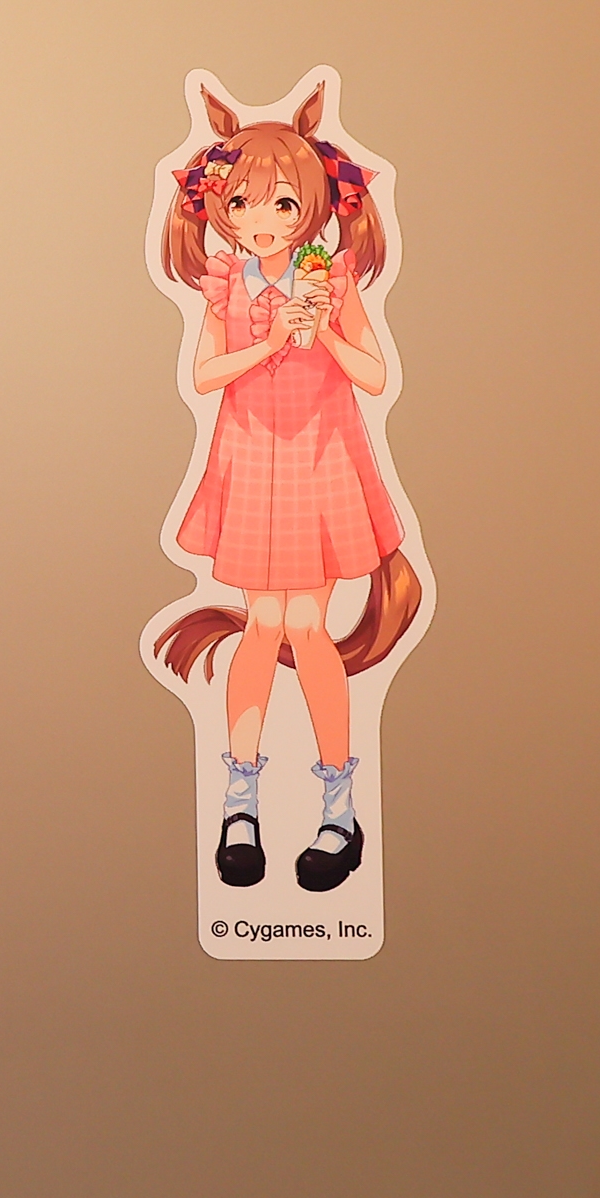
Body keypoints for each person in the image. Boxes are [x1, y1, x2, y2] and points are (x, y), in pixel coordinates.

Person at [156, 83, 420, 893]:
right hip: (251, 457)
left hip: (319, 457)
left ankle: (339, 807)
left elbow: (375, 376)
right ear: (219, 207)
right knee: (263, 623)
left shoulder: (332, 280)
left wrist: (324, 333)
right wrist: (271, 339)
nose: (261, 220)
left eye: (281, 203)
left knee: (302, 625)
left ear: (313, 206)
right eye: (242, 204)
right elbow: (205, 375)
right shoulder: (225, 284)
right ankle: (241, 800)